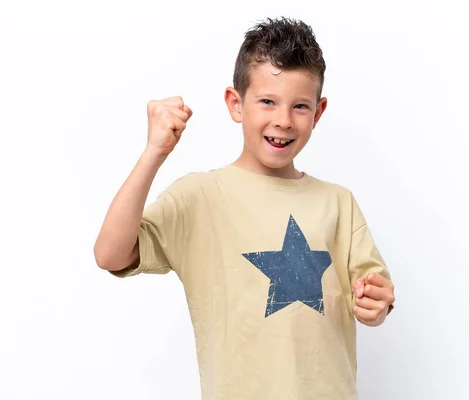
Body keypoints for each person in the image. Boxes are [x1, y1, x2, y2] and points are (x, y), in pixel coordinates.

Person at [94, 16, 395, 400]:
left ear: (318, 113)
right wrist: (155, 152)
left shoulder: (339, 202)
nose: (283, 121)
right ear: (236, 104)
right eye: (267, 101)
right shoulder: (200, 196)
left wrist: (376, 304)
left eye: (300, 106)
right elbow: (110, 254)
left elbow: (374, 296)